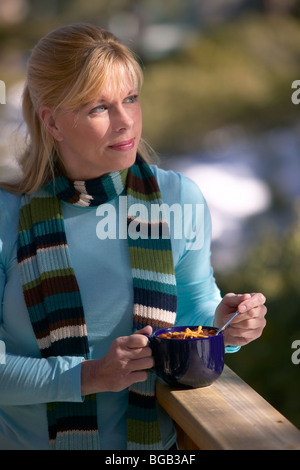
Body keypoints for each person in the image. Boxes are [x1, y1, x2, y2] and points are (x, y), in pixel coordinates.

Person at [0, 23, 267, 450]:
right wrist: (89, 375)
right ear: (52, 121)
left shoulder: (178, 198)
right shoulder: (5, 214)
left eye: (130, 99)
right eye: (99, 108)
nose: (126, 122)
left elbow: (192, 317)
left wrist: (225, 327)